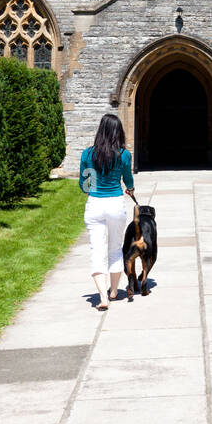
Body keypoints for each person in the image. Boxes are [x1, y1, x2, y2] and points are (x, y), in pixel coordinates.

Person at [80, 112, 136, 311]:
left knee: (97, 249)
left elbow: (85, 185)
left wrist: (96, 184)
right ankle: (114, 291)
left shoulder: (87, 154)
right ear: (117, 132)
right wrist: (130, 188)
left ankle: (102, 297)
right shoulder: (124, 155)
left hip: (95, 203)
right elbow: (127, 179)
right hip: (115, 203)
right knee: (114, 248)